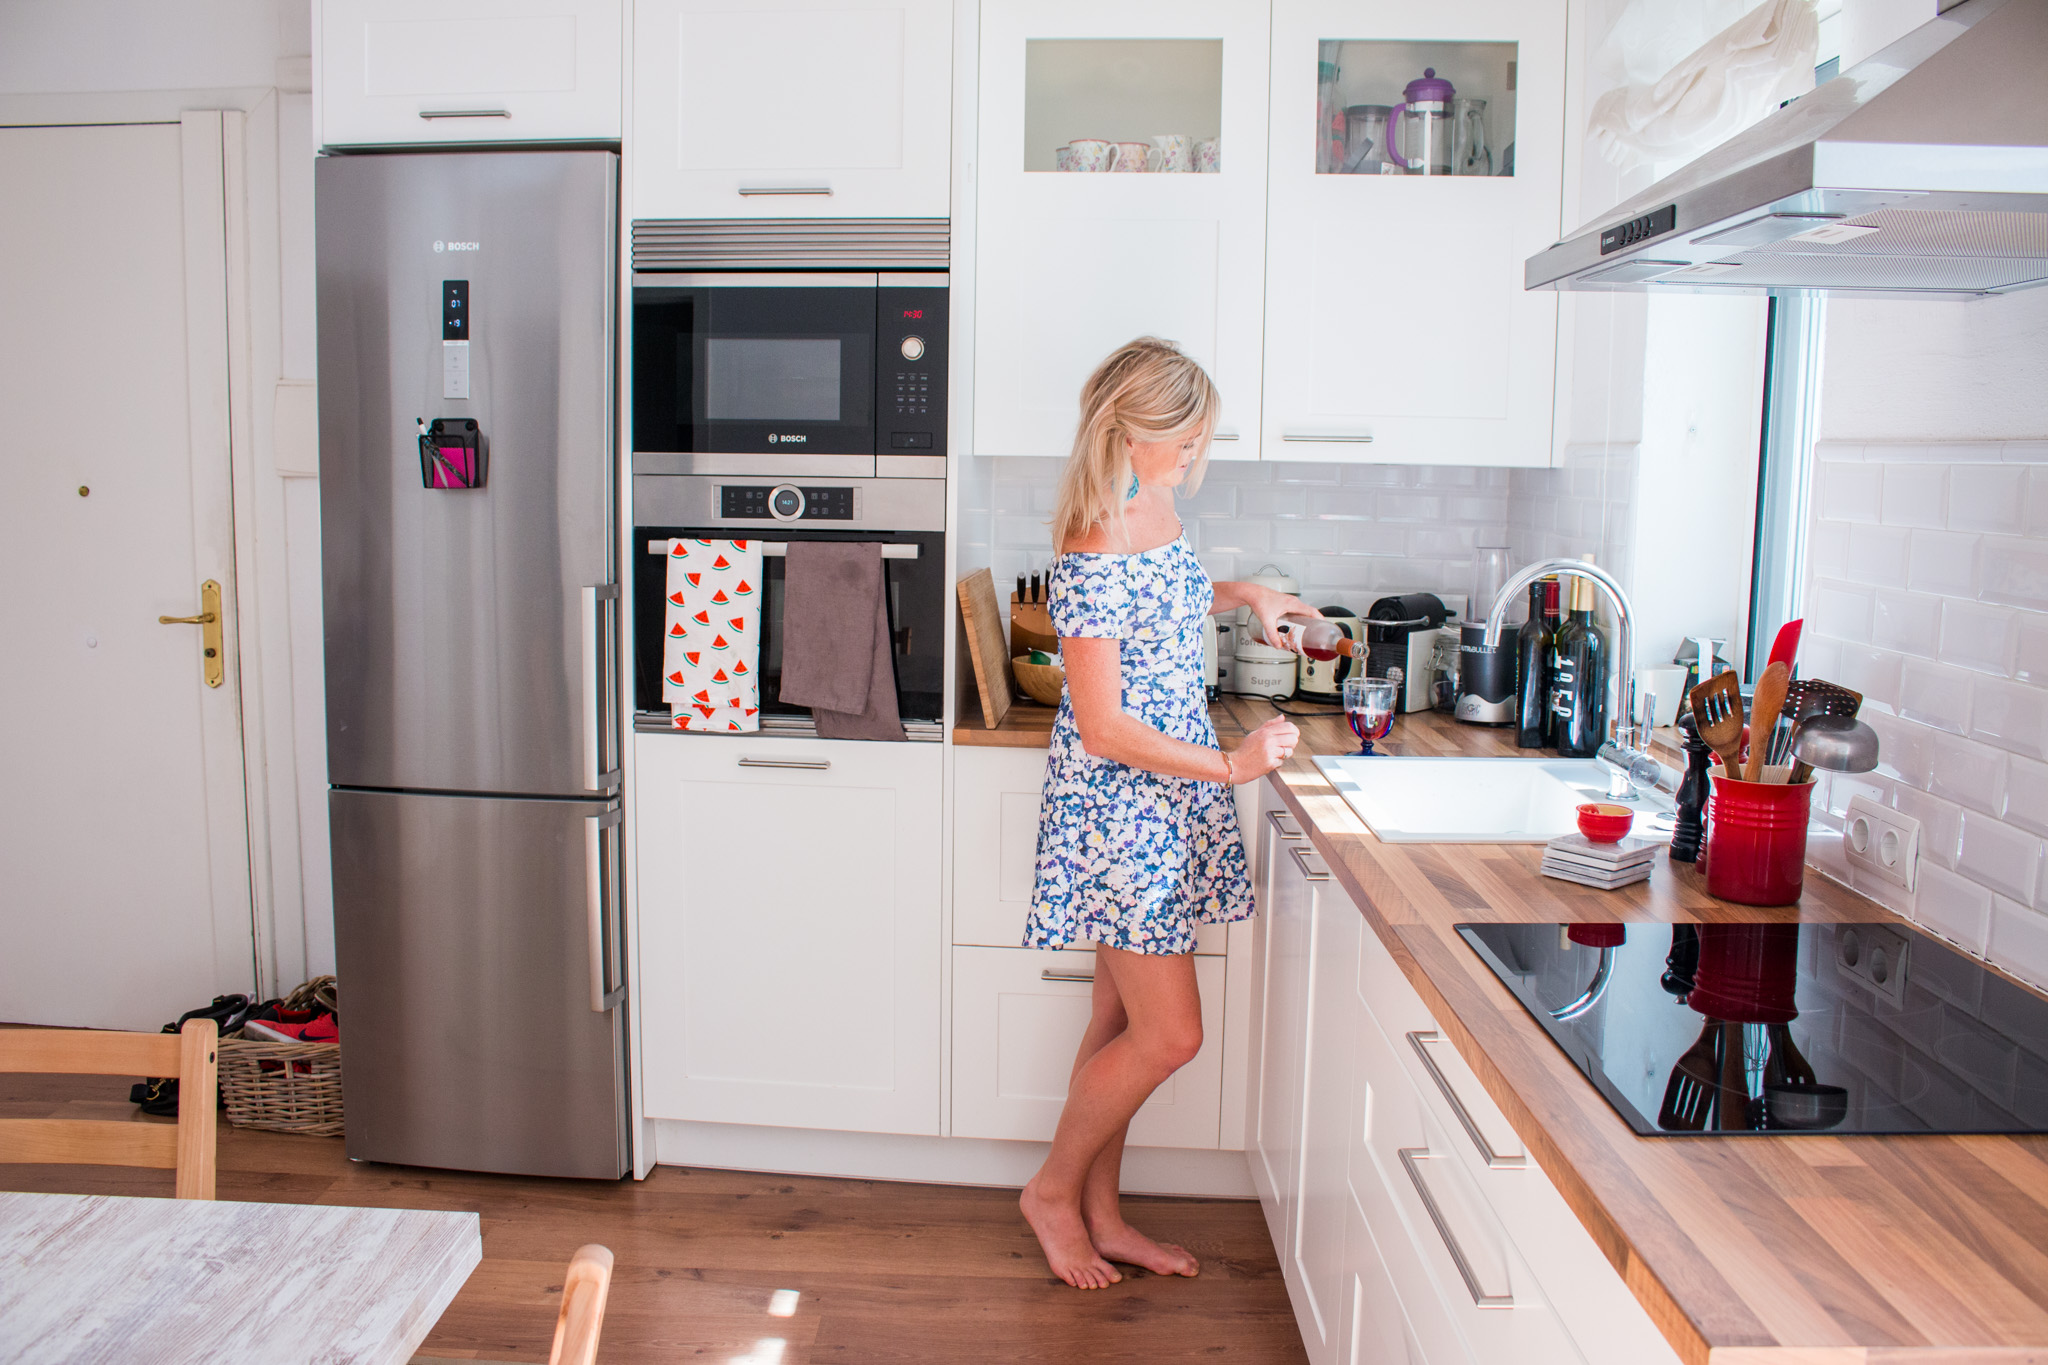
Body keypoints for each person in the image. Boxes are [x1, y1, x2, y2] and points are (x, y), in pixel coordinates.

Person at [1018, 337, 1312, 1289]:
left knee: (1117, 1016)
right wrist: (1230, 764)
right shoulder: (1094, 536)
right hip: (1123, 810)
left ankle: (1103, 1211)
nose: (1193, 454)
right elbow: (1103, 726)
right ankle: (1054, 1193)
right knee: (1169, 1034)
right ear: (1129, 430)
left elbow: (1170, 595)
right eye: (1183, 438)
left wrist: (1248, 593)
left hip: (1166, 796)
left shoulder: (1156, 506)